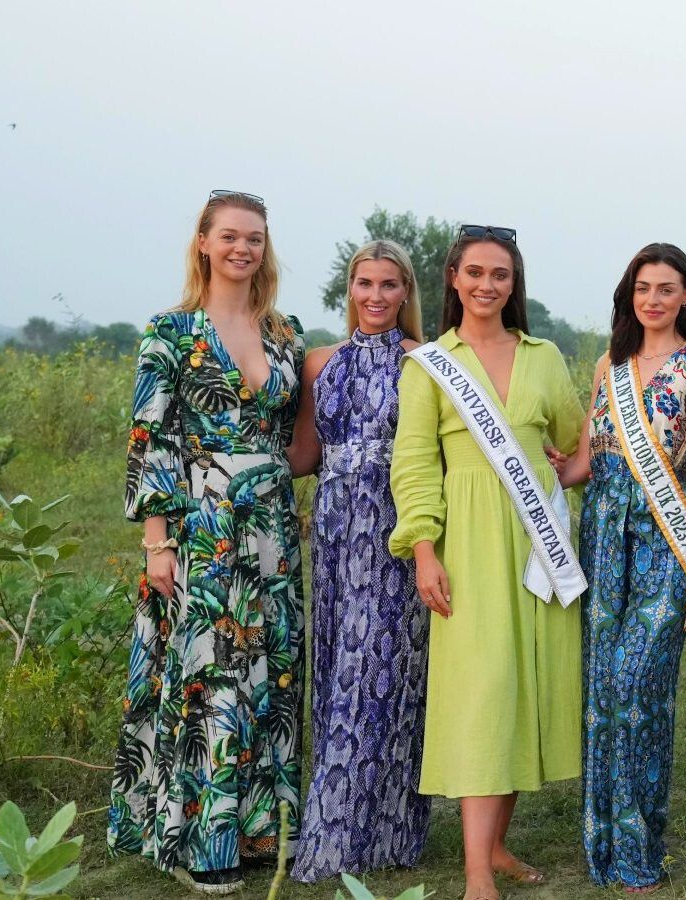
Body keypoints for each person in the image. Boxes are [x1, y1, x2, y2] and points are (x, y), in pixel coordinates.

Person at [110, 190, 306, 896]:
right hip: (204, 528)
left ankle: (259, 830)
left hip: (273, 531)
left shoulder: (285, 332)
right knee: (212, 674)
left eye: (254, 237)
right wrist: (156, 543)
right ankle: (207, 839)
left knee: (272, 675)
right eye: (229, 236)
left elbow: (292, 437)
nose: (242, 248)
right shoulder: (169, 331)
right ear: (203, 242)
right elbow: (150, 439)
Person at [388, 226, 586, 900]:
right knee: (482, 694)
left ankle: (497, 846)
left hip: (537, 547)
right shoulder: (428, 366)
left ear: (513, 283)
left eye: (500, 274)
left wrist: (557, 478)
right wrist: (423, 551)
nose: (486, 285)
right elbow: (414, 465)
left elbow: (572, 436)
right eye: (475, 272)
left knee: (524, 686)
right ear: (452, 277)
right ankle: (476, 874)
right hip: (466, 543)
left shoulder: (545, 356)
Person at [550, 242, 686, 893]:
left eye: (666, 288)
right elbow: (590, 460)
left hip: (664, 545)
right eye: (643, 287)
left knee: (637, 689)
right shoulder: (608, 365)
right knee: (604, 697)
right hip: (603, 538)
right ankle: (603, 847)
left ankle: (638, 851)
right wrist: (548, 466)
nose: (653, 298)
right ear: (630, 295)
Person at [286, 240, 429, 882]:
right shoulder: (319, 361)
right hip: (336, 530)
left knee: (380, 673)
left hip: (398, 529)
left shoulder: (425, 362)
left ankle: (355, 833)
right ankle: (362, 828)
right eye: (364, 284)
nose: (376, 296)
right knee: (337, 663)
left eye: (389, 285)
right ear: (350, 289)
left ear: (407, 293)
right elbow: (303, 455)